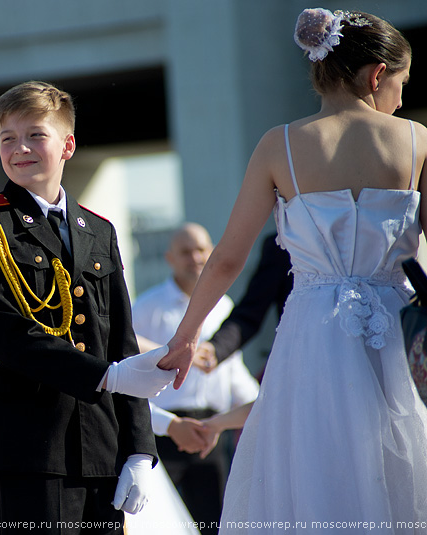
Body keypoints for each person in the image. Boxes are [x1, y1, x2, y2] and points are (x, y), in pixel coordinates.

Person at [159, 8, 427, 530]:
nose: (401, 97)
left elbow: (228, 259)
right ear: (376, 75)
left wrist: (187, 335)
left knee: (313, 472)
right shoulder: (416, 140)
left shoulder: (277, 145)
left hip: (312, 334)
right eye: (401, 83)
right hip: (397, 329)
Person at [0, 80, 174, 533]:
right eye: (7, 138)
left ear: (68, 145)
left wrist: (138, 447)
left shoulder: (99, 230)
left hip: (102, 445)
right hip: (28, 447)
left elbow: (121, 342)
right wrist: (105, 376)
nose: (19, 149)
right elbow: (5, 335)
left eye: (35, 135)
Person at [131, 223, 259, 535]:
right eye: (186, 252)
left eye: (201, 249)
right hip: (161, 430)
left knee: (215, 522)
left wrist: (256, 405)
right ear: (169, 258)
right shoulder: (146, 307)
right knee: (161, 524)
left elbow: (233, 374)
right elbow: (131, 367)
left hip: (210, 433)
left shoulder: (224, 305)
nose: (195, 257)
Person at [193, 233, 292, 373]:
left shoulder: (224, 304)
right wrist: (215, 348)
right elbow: (251, 311)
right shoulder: (283, 244)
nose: (196, 259)